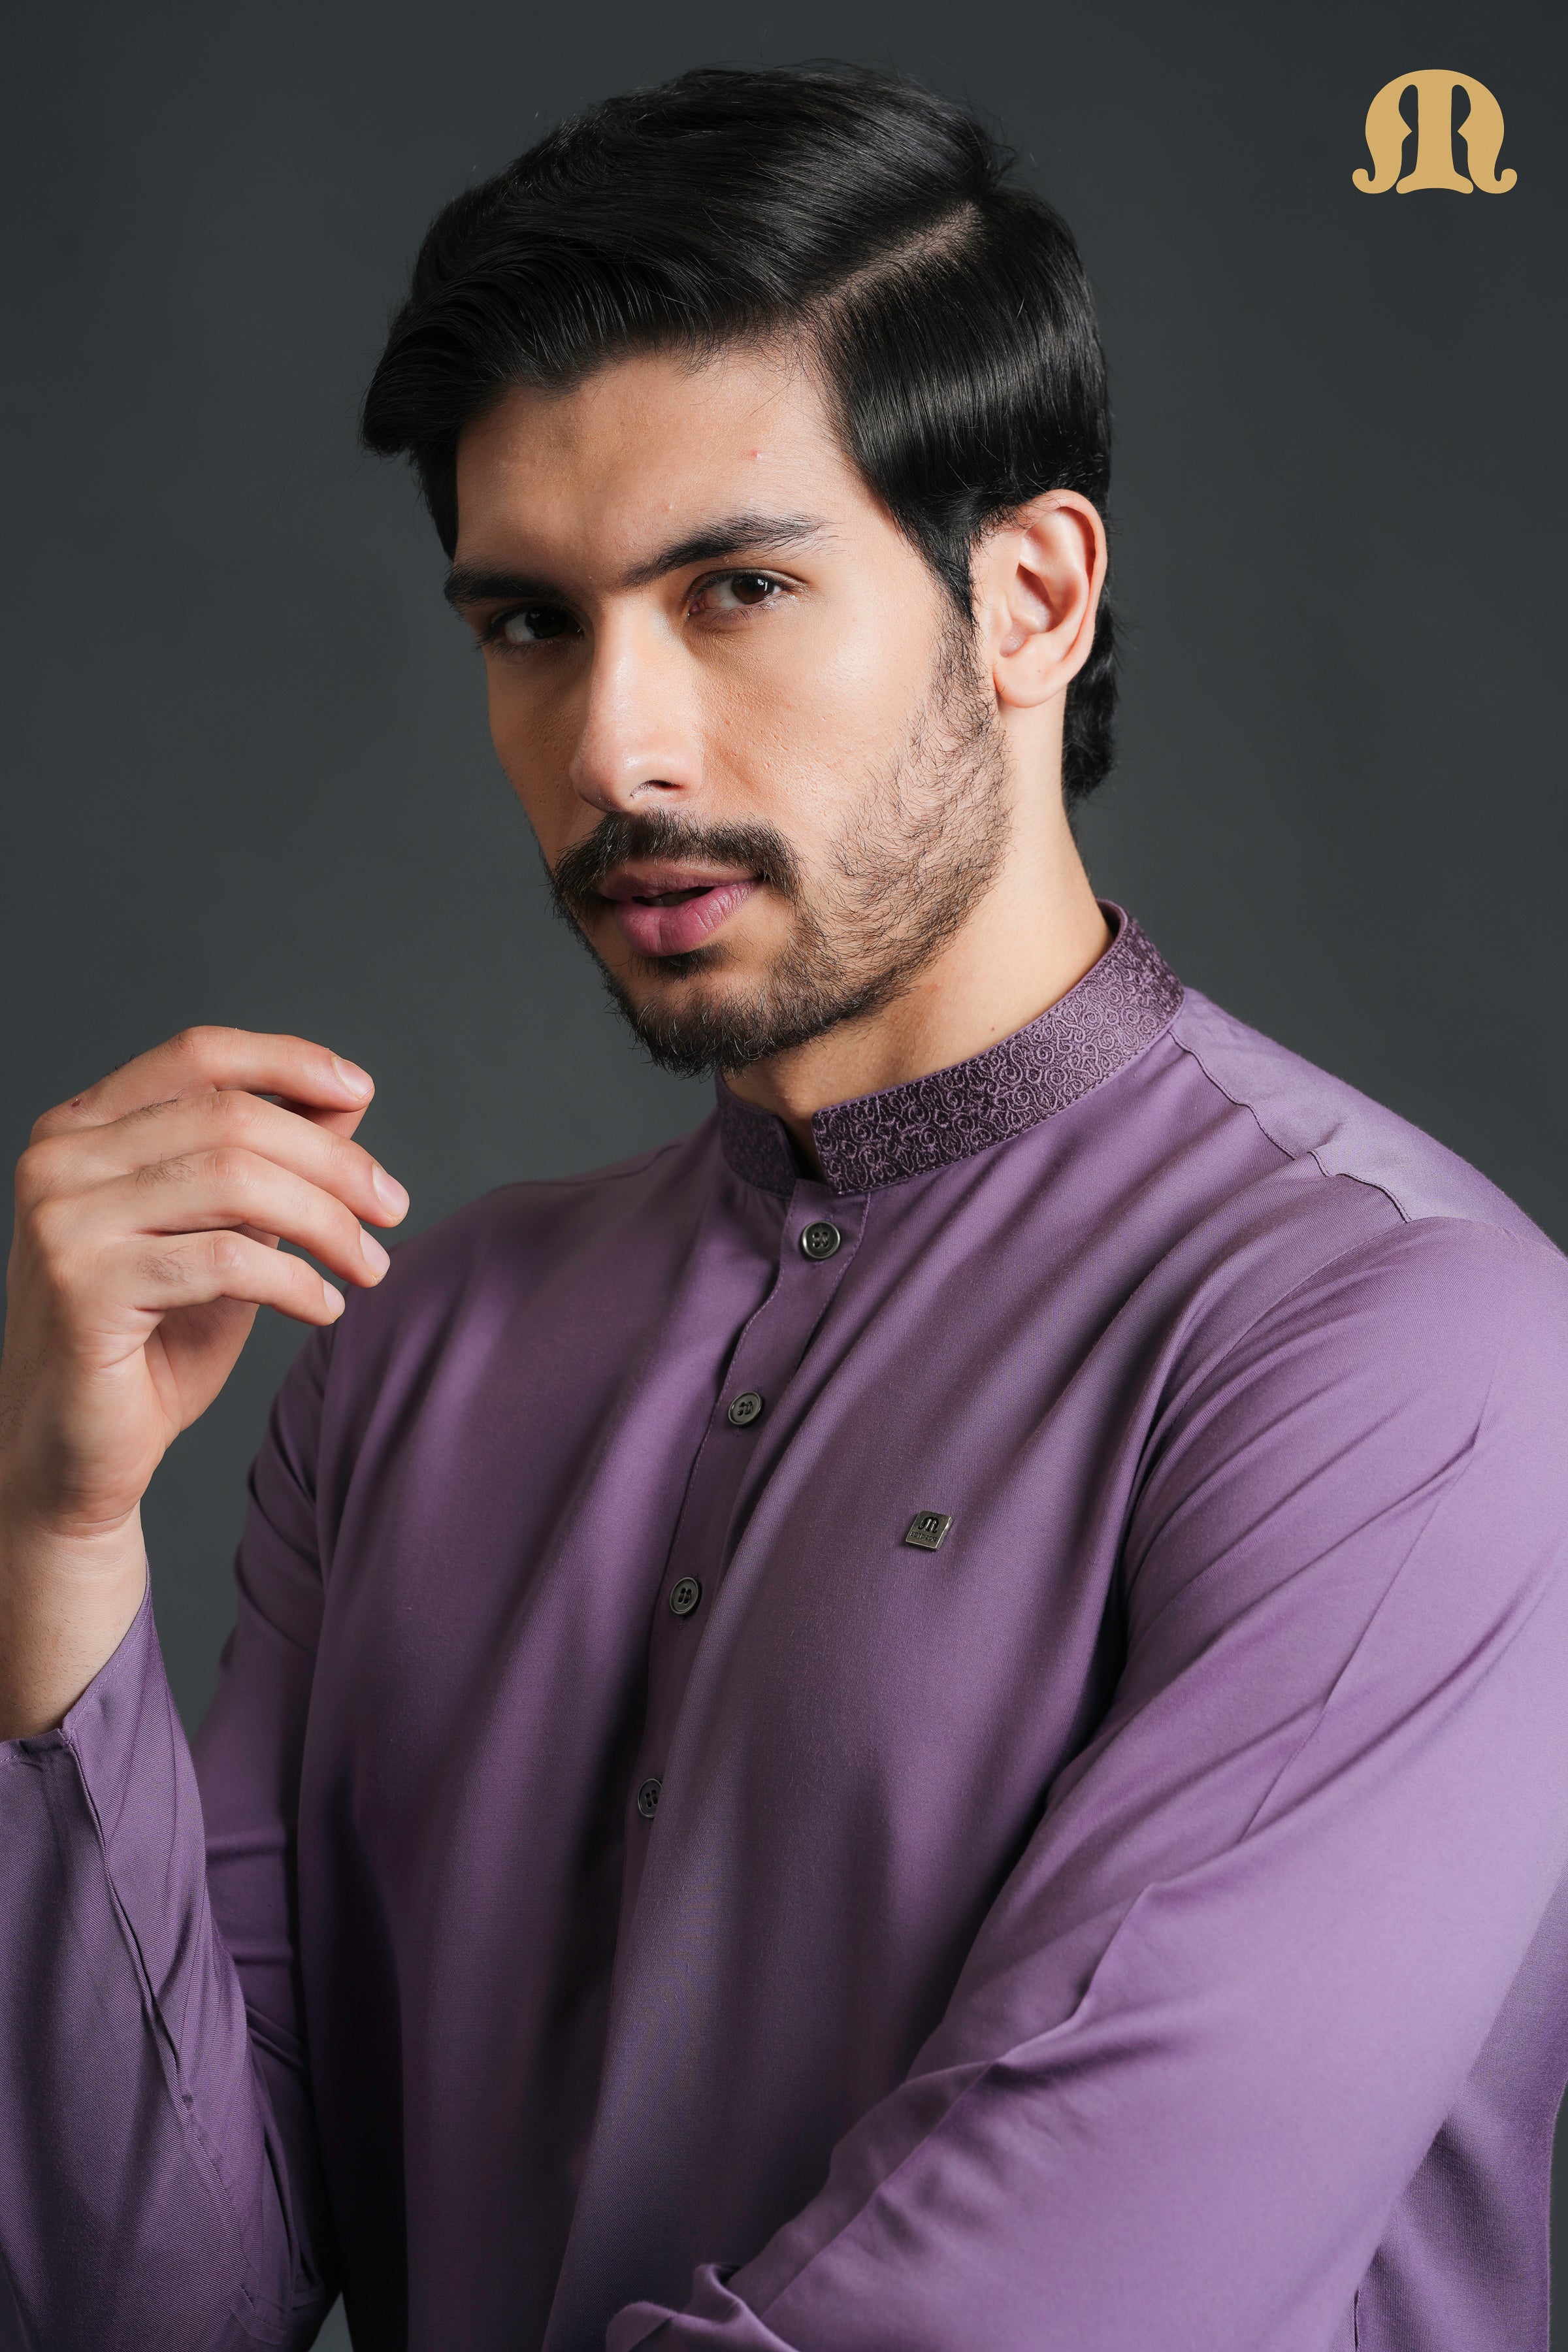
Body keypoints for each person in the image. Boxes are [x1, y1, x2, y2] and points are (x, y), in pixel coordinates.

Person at [1, 61, 1565, 2352]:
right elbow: (151, 2304)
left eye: (734, 589)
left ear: (1028, 597)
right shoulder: (421, 1350)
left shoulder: (1411, 1356)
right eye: (529, 624)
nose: (613, 749)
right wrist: (52, 1545)